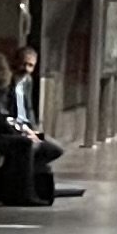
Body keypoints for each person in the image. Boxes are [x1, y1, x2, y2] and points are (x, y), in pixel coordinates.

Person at [0, 54, 57, 207]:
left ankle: (19, 185)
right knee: (24, 144)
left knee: (40, 144)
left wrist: (26, 131)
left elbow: (3, 118)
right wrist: (21, 133)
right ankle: (23, 192)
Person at [13, 49, 81, 201]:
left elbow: (28, 108)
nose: (26, 69)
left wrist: (34, 129)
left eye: (30, 65)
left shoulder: (27, 81)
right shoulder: (8, 82)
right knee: (30, 147)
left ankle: (32, 173)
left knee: (55, 148)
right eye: (23, 64)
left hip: (28, 129)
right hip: (15, 129)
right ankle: (26, 184)